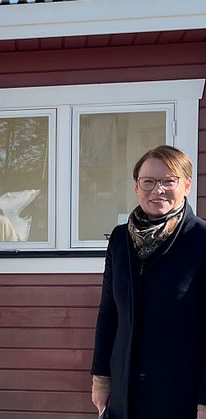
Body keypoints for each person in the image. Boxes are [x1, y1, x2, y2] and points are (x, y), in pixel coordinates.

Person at [91, 145, 206, 419]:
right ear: (137, 187)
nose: (158, 190)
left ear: (187, 185)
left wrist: (205, 400)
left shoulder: (201, 240)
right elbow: (109, 312)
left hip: (180, 395)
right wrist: (101, 378)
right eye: (149, 181)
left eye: (169, 181)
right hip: (124, 392)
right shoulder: (120, 240)